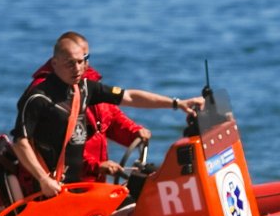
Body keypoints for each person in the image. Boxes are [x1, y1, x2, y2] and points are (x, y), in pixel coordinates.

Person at [13, 32, 203, 198]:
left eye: (82, 61)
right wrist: (44, 179)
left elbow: (129, 97)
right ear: (55, 63)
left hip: (77, 186)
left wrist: (177, 103)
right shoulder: (38, 97)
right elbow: (20, 142)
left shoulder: (85, 88)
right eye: (70, 64)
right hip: (49, 189)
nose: (78, 68)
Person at [28, 32, 149, 182]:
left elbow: (109, 116)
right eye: (74, 61)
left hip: (95, 178)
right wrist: (95, 166)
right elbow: (57, 144)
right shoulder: (44, 92)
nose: (81, 66)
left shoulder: (88, 82)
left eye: (85, 59)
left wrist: (134, 133)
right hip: (65, 181)